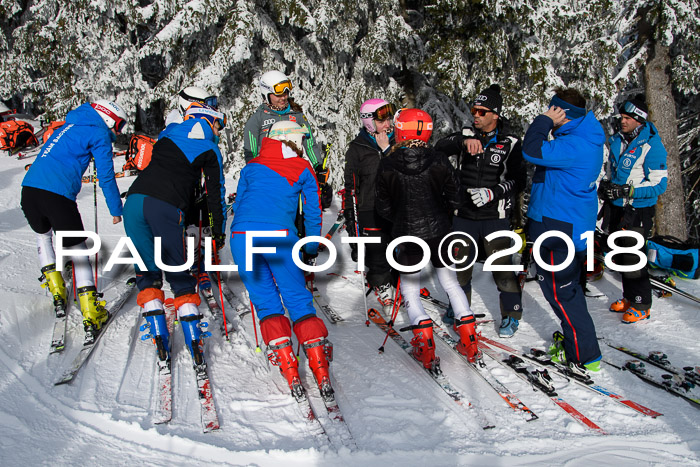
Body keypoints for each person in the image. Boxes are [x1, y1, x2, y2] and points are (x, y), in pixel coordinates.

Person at [230, 120, 334, 401]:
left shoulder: (251, 167)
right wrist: (311, 247)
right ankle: (319, 366)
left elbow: (238, 206)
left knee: (266, 302)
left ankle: (288, 366)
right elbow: (313, 212)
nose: (303, 145)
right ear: (292, 140)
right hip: (278, 234)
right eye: (301, 139)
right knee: (298, 300)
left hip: (241, 236)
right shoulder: (302, 167)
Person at [123, 102, 227, 366]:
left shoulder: (168, 134)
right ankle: (193, 336)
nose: (219, 131)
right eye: (219, 125)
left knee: (147, 270)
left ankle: (158, 330)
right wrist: (218, 229)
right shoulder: (211, 149)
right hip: (166, 206)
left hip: (134, 201)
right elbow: (215, 194)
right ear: (209, 121)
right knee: (178, 272)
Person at [375, 108, 479, 371]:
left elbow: (382, 207)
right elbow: (456, 198)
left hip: (407, 233)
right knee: (450, 281)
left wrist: (398, 218)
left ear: (400, 129)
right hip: (440, 231)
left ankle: (425, 343)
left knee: (410, 287)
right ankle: (469, 337)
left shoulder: (388, 163)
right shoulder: (439, 159)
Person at [21, 100, 127, 343]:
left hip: (29, 190)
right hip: (57, 196)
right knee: (78, 248)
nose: (118, 131)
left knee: (43, 235)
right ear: (109, 118)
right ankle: (91, 312)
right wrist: (116, 209)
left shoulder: (68, 126)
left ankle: (57, 289)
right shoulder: (99, 132)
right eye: (119, 125)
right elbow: (107, 175)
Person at [521, 88, 604, 375]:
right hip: (567, 222)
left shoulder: (575, 146)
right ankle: (579, 342)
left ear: (562, 113)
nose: (548, 112)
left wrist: (542, 121)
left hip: (559, 226)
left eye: (552, 110)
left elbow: (531, 149)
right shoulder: (581, 135)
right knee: (569, 290)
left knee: (561, 293)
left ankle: (584, 355)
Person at [435, 84, 526, 337]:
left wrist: (493, 192)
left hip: (494, 218)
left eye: (482, 111)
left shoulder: (510, 142)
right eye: (474, 109)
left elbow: (520, 181)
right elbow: (439, 148)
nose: (475, 115)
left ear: (495, 114)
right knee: (460, 269)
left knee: (503, 271)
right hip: (463, 215)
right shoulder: (466, 134)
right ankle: (459, 308)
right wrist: (464, 141)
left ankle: (511, 315)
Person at [599, 94, 668, 323]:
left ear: (639, 119)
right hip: (618, 208)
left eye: (628, 117)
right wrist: (607, 186)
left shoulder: (651, 144)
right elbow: (614, 170)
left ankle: (642, 303)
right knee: (621, 256)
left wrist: (629, 191)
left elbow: (659, 184)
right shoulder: (619, 139)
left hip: (638, 209)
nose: (623, 121)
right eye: (622, 117)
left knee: (634, 258)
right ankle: (629, 298)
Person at [243, 70, 332, 208]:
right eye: (278, 94)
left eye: (286, 93)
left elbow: (309, 144)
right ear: (267, 94)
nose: (283, 97)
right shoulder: (257, 119)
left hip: (294, 172)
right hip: (270, 175)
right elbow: (251, 152)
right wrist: (254, 174)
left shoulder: (297, 115)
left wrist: (318, 166)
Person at [342, 98, 397, 314]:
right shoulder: (357, 148)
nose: (388, 123)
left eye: (389, 117)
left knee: (399, 246)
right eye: (382, 119)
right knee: (376, 250)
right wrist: (350, 219)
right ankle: (382, 284)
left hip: (395, 206)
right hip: (369, 207)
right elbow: (350, 185)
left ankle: (398, 281)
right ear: (368, 121)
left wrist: (388, 150)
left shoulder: (397, 142)